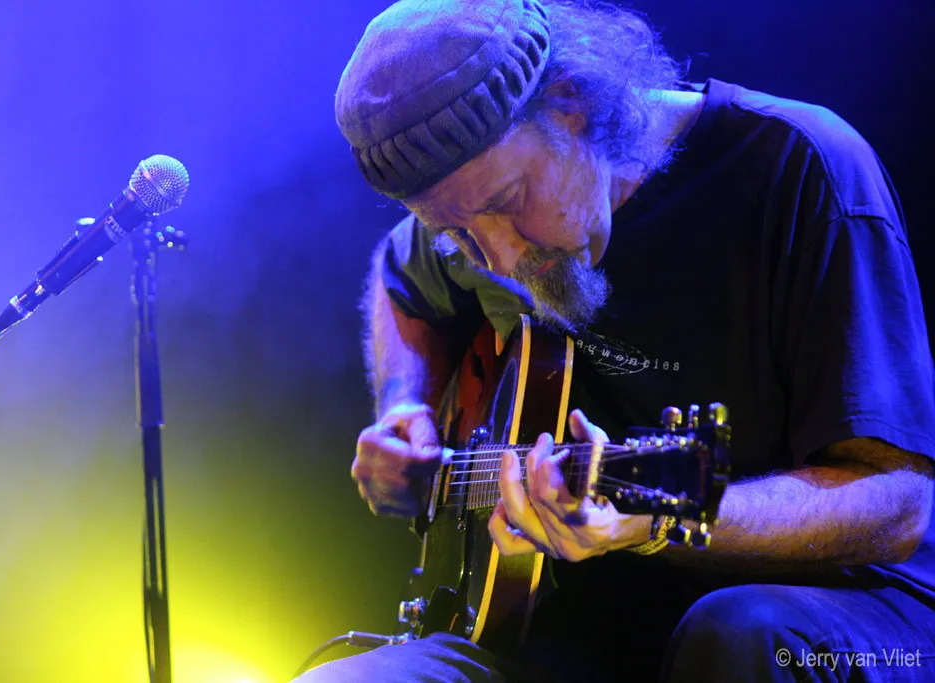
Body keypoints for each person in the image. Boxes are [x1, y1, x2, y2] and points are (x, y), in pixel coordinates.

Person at [297, 0, 935, 680]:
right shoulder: (478, 208)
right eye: (455, 233)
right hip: (573, 633)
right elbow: (400, 274)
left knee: (736, 634)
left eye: (508, 202)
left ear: (572, 102)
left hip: (834, 615)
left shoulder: (799, 167)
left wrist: (652, 522)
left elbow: (897, 504)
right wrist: (405, 406)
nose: (500, 261)